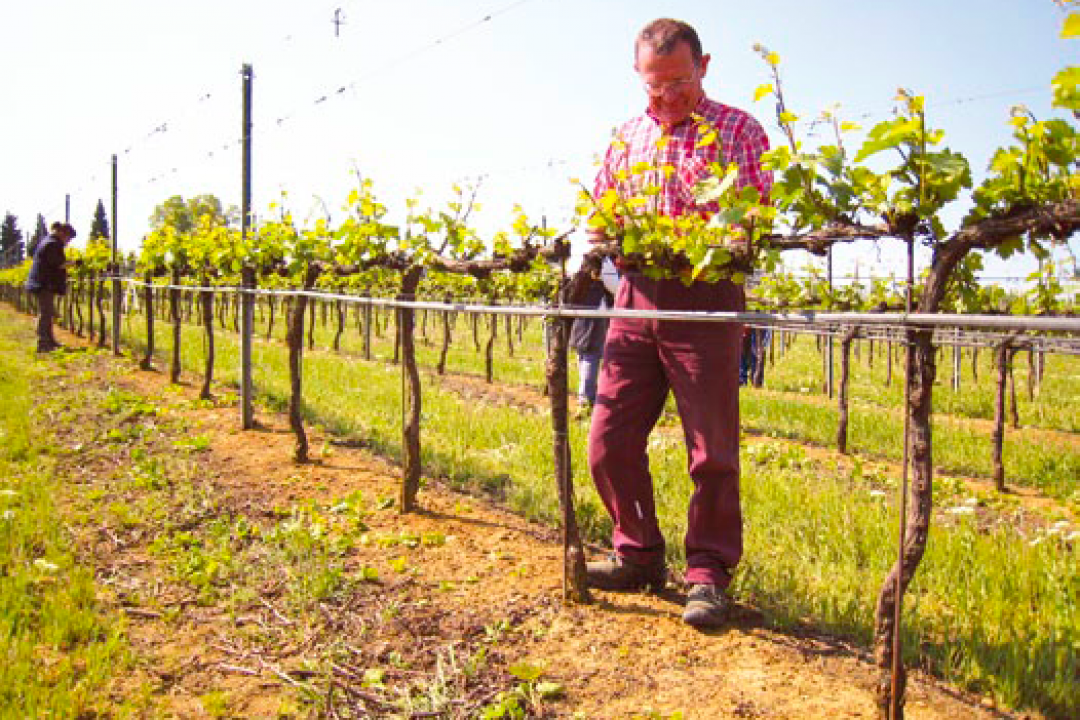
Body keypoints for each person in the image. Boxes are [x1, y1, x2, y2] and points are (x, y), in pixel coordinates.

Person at [584, 18, 772, 627]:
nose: (663, 97)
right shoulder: (625, 135)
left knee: (710, 449)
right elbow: (599, 213)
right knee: (607, 441)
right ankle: (637, 554)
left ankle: (708, 575)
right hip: (636, 297)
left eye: (677, 82)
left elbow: (754, 221)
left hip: (706, 296)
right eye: (652, 85)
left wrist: (715, 239)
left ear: (705, 66)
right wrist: (599, 241)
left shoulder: (740, 131)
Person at [569, 258, 618, 417]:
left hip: (580, 309)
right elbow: (615, 286)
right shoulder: (604, 260)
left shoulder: (579, 258)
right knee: (591, 354)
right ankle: (586, 399)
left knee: (583, 352)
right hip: (596, 311)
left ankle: (585, 396)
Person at [26, 222, 76, 353]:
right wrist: (74, 263)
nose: (67, 242)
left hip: (43, 283)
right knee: (45, 313)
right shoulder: (52, 244)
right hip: (43, 284)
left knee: (47, 313)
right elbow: (57, 264)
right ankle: (43, 343)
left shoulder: (49, 242)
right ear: (62, 233)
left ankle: (49, 341)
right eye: (68, 238)